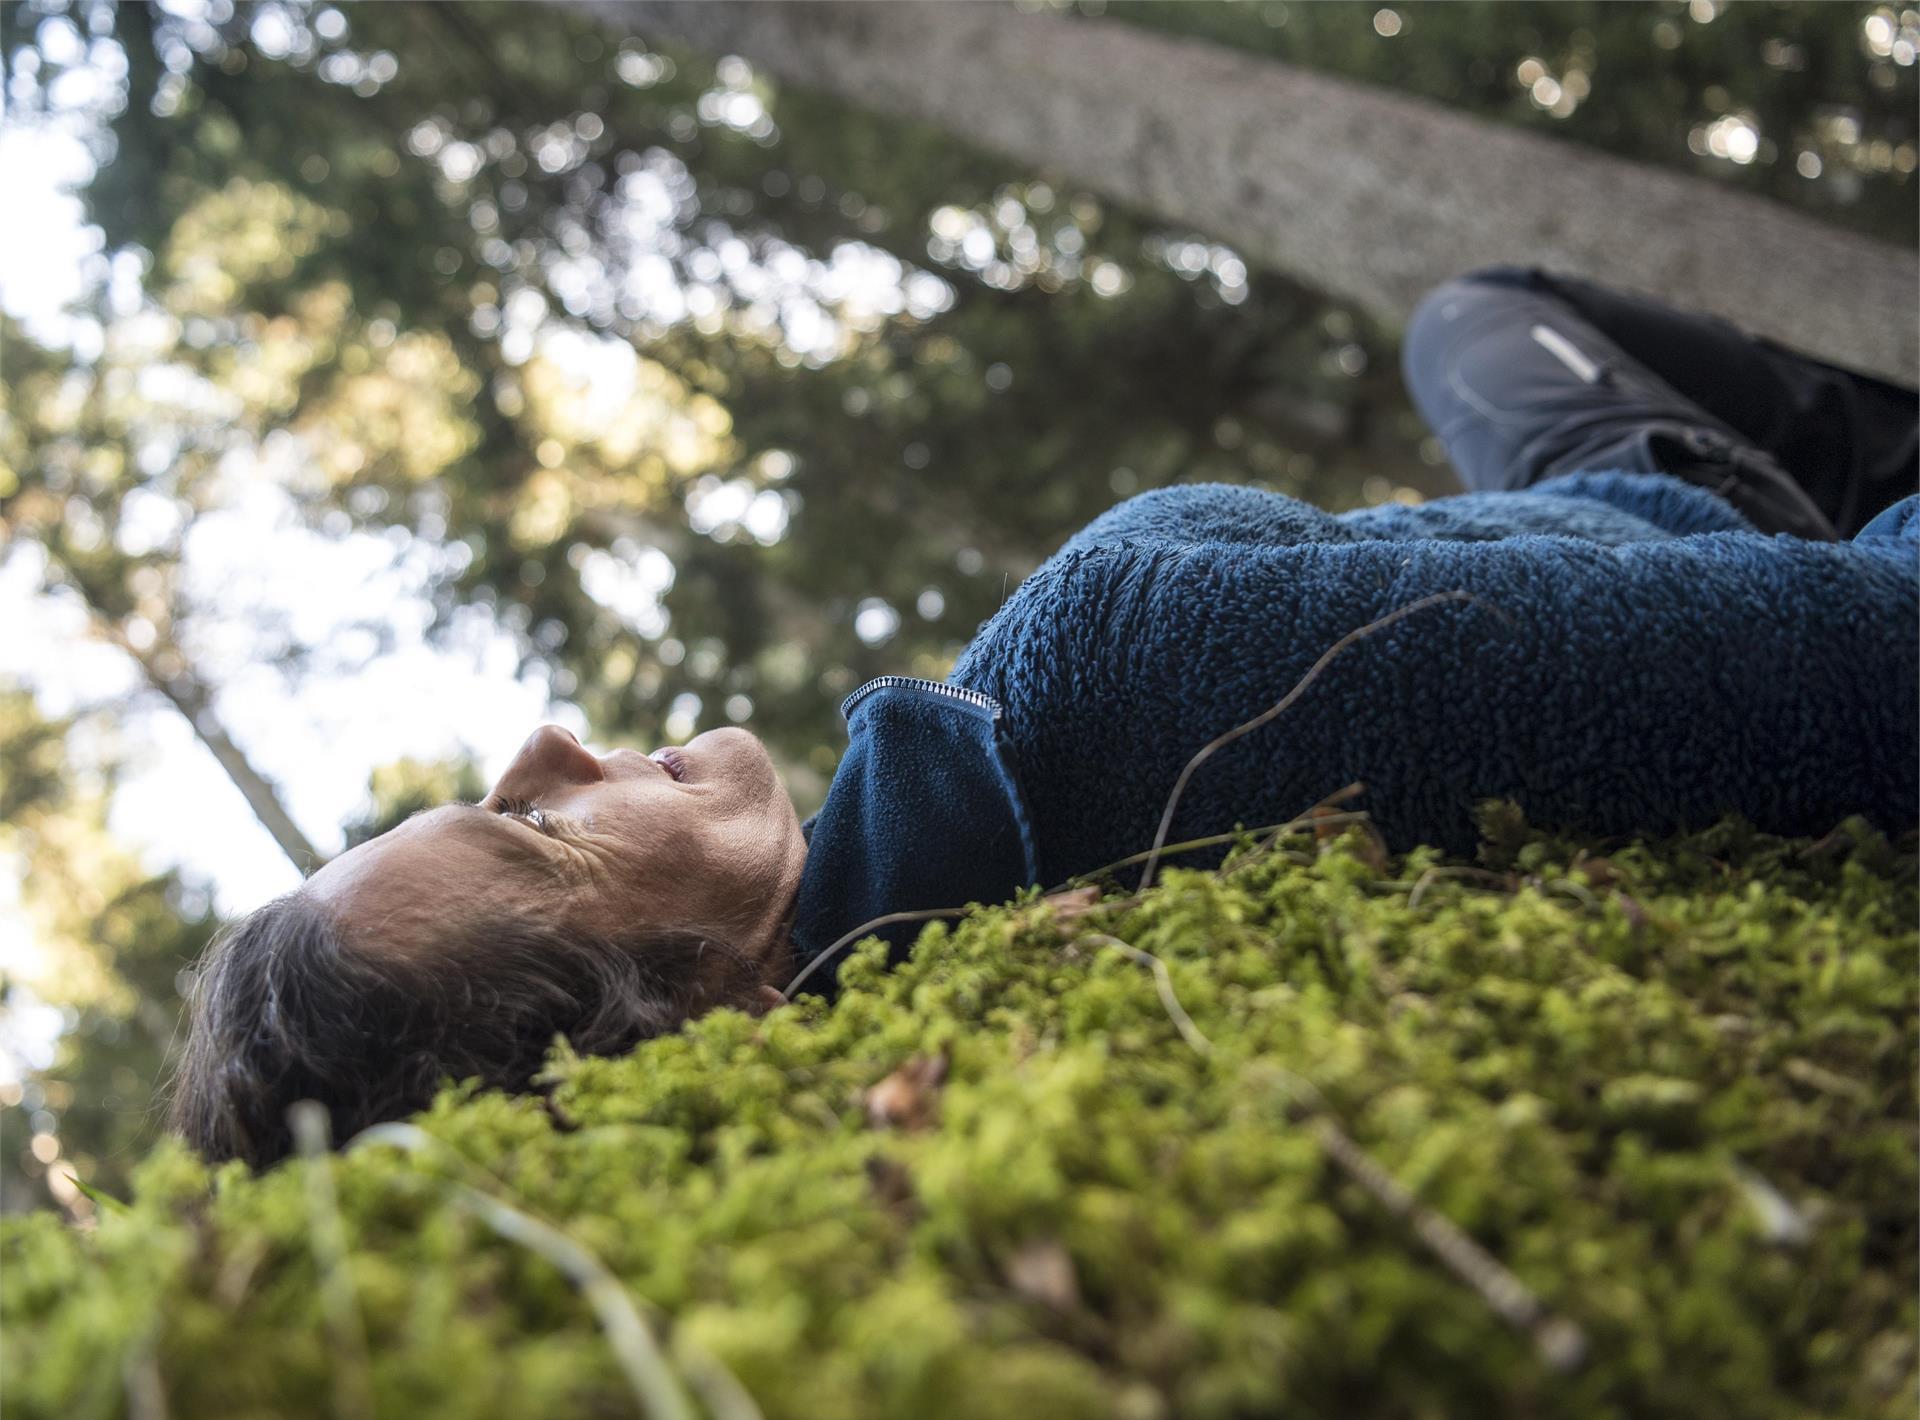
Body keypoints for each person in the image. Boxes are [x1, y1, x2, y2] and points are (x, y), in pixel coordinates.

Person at [167, 267, 1919, 1168]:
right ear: (704, 1008)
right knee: (1479, 314)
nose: (548, 747)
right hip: (1702, 503)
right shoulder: (1148, 664)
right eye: (534, 833)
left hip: (1619, 550)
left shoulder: (1041, 833)